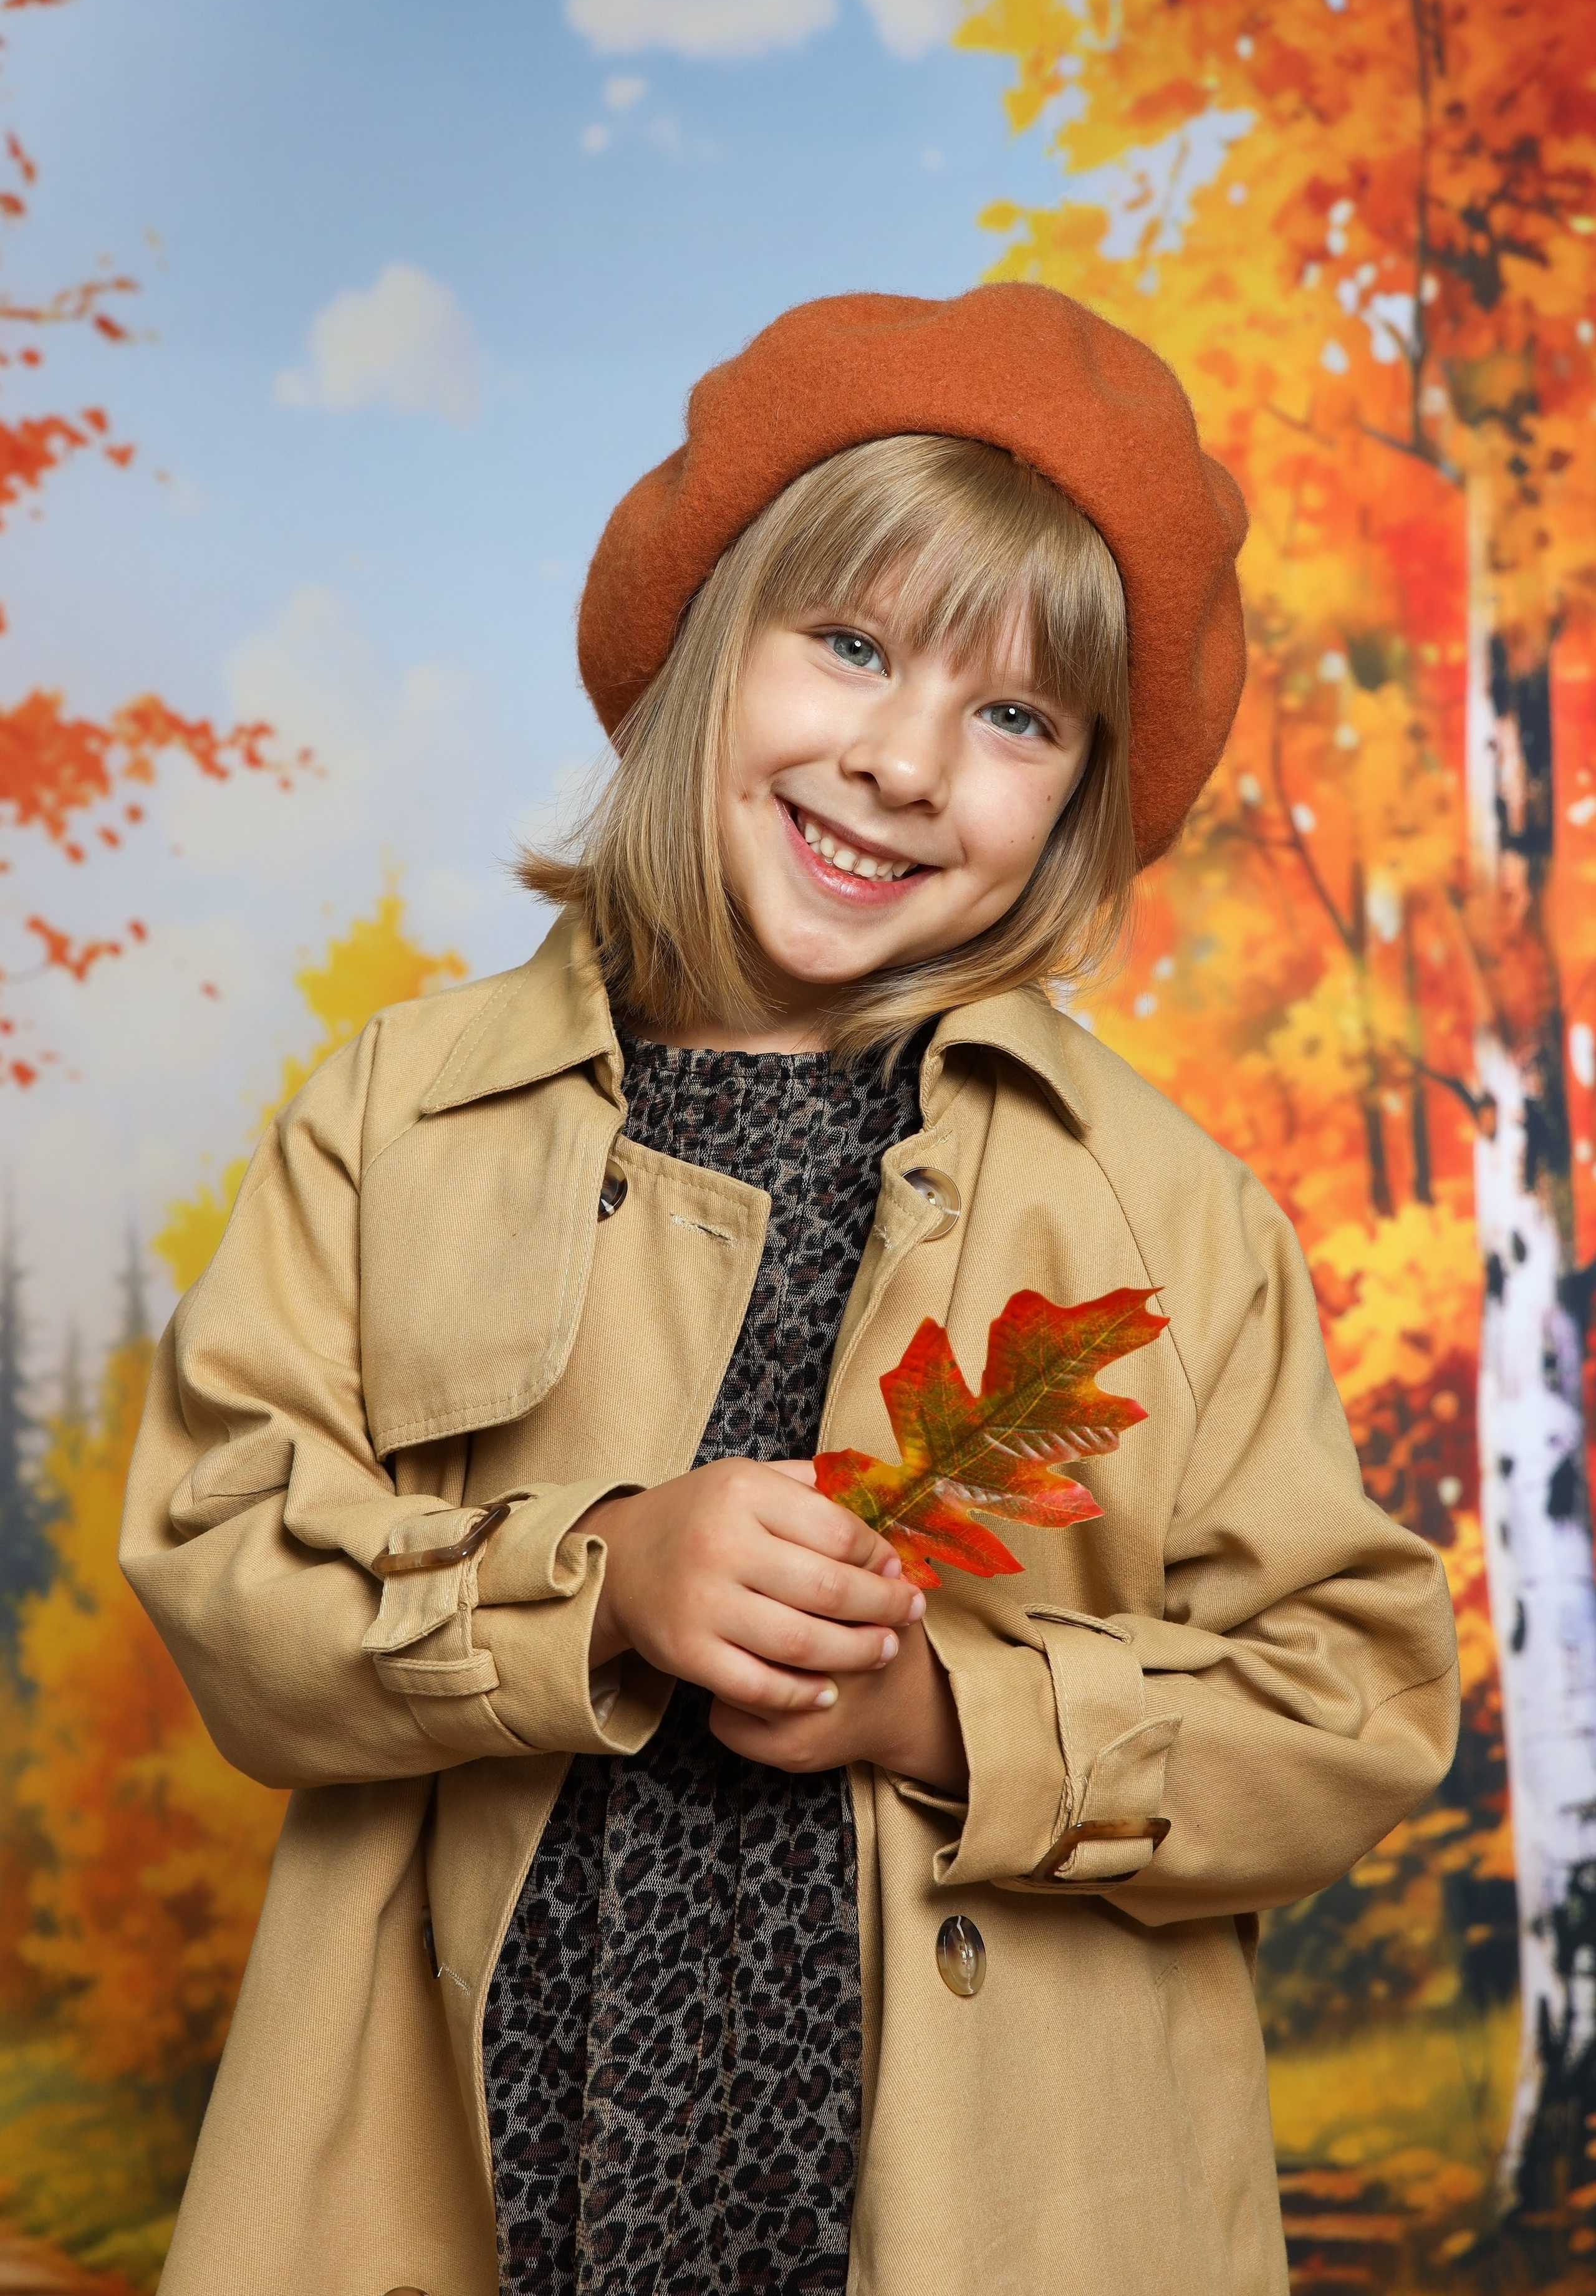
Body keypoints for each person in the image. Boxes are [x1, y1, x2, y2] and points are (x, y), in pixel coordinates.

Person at [122, 286, 1459, 2296]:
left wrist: (953, 1710)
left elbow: (1348, 1700)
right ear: (701, 642)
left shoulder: (1167, 1214)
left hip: (979, 2200)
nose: (907, 762)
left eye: (1015, 718)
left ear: (1081, 796)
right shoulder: (400, 1119)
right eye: (850, 645)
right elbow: (230, 1569)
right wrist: (603, 1578)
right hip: (492, 2154)